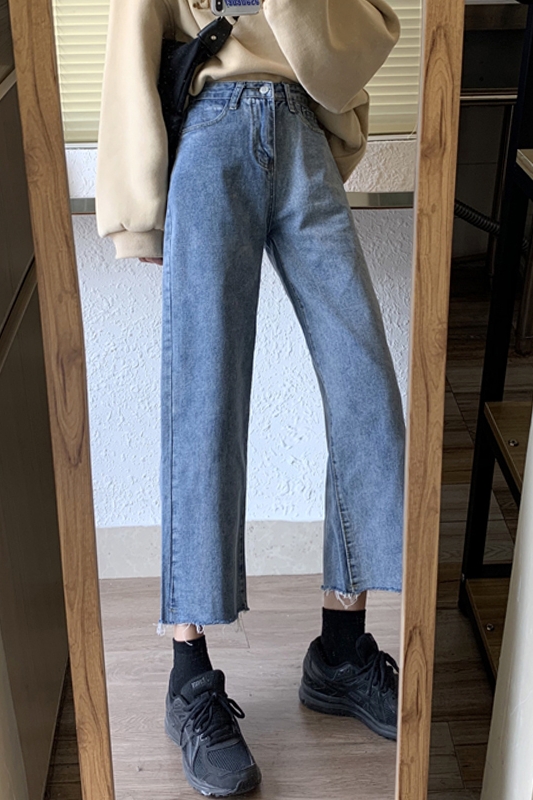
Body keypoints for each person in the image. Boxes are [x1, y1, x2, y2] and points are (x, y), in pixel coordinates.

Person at [95, 0, 405, 795]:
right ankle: (189, 679)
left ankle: (340, 652)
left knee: (366, 392)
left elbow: (368, 29)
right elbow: (135, 30)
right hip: (210, 130)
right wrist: (137, 209)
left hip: (301, 130)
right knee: (203, 402)